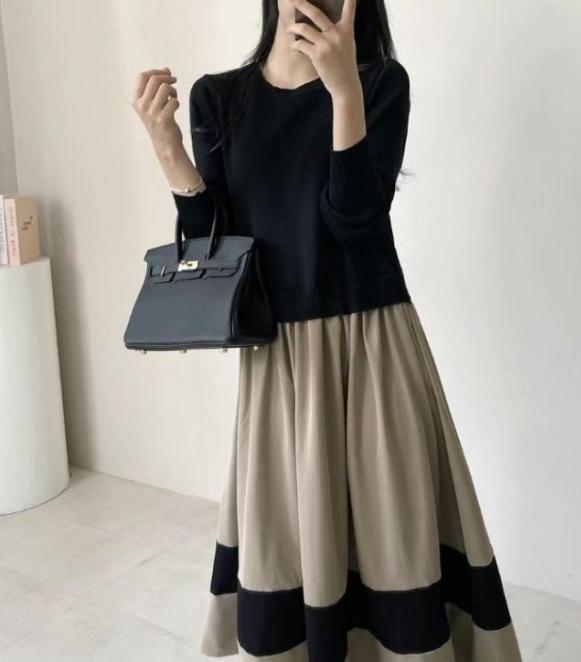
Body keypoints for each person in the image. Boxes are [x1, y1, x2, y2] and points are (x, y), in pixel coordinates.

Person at [131, 0, 523, 659]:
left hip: (375, 347)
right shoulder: (218, 98)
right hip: (278, 360)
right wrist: (168, 147)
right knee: (290, 539)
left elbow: (355, 224)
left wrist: (344, 93)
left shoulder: (380, 82)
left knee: (393, 532)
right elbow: (217, 250)